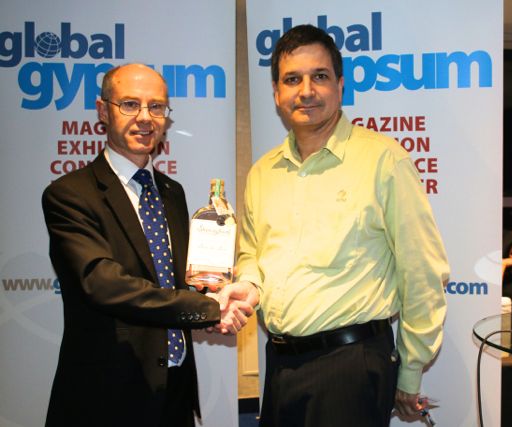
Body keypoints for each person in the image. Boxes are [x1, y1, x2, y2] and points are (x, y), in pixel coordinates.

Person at [234, 25, 449, 426]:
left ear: (340, 85)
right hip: (280, 365)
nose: (306, 91)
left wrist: (409, 372)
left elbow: (422, 272)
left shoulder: (384, 160)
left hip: (350, 367)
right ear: (277, 93)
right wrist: (247, 284)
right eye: (292, 80)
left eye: (319, 76)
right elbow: (250, 254)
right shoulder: (262, 172)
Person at [42, 63, 253, 427]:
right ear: (103, 111)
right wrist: (207, 308)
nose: (145, 117)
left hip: (175, 393)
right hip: (106, 398)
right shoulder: (70, 194)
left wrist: (215, 292)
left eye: (156, 107)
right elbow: (103, 284)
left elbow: (175, 282)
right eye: (130, 104)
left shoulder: (172, 192)